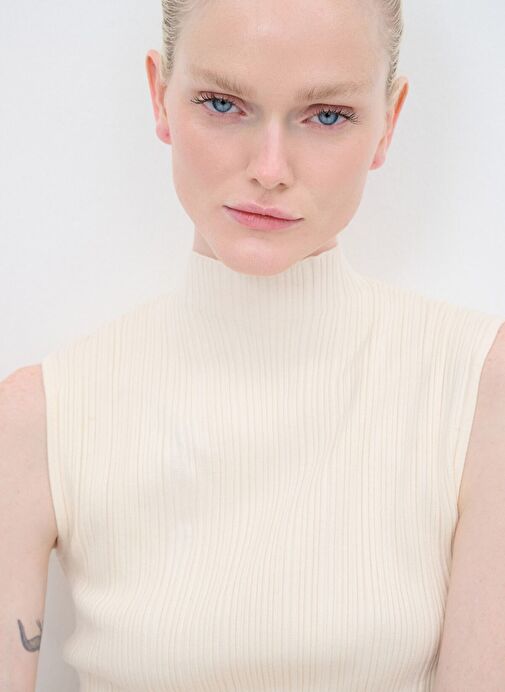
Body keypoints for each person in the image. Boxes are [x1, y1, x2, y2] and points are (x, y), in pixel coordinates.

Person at [1, 0, 504, 690]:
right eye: (222, 103)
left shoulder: (478, 389)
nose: (269, 168)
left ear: (388, 123)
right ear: (159, 96)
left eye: (327, 116)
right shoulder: (39, 419)